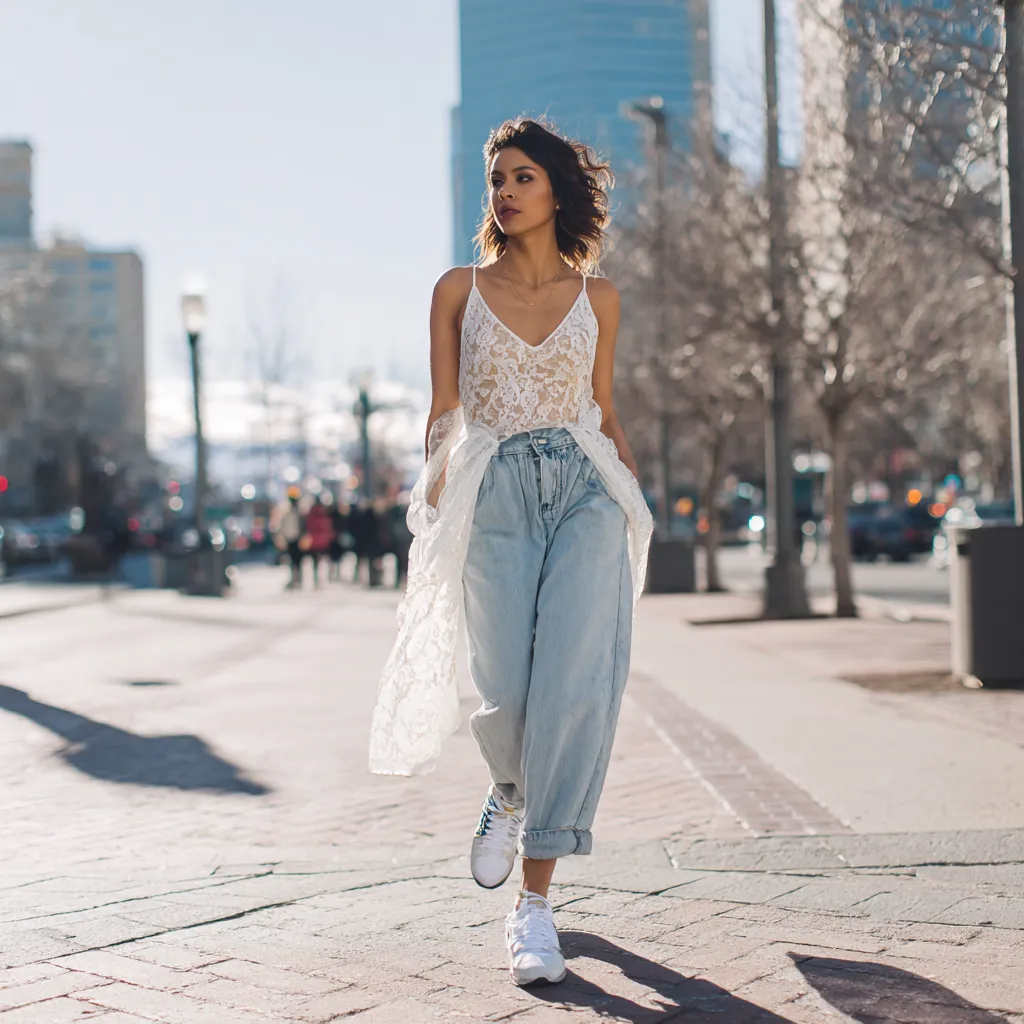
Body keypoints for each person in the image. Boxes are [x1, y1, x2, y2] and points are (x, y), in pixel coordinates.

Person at [369, 119, 652, 987]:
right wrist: (435, 499)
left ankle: (534, 904)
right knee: (506, 691)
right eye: (497, 179)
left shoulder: (600, 298)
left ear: (557, 189)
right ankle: (508, 791)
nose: (505, 191)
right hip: (492, 488)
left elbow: (604, 408)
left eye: (523, 176)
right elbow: (444, 410)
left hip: (585, 489)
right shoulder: (458, 290)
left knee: (574, 686)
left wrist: (633, 499)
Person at [272, 488, 306, 590]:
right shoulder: (290, 513)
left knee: (297, 561)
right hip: (291, 539)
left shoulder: (298, 514)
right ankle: (295, 579)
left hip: (296, 539)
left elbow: (303, 527)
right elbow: (282, 527)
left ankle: (297, 579)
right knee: (293, 560)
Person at [304, 496, 335, 587]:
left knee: (315, 559)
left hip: (313, 541)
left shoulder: (310, 516)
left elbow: (308, 527)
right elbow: (327, 528)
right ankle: (327, 575)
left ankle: (315, 576)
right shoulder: (324, 516)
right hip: (323, 541)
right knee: (325, 558)